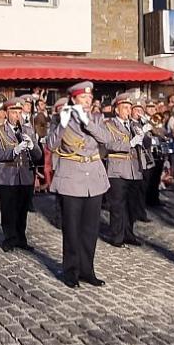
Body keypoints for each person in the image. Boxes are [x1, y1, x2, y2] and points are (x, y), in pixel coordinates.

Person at [46, 82, 112, 288]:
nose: (88, 101)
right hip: (71, 178)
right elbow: (50, 144)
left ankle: (87, 270)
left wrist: (88, 122)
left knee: (91, 229)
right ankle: (70, 271)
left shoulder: (98, 118)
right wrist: (63, 124)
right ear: (73, 99)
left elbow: (107, 140)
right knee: (72, 228)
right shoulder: (59, 119)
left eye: (90, 98)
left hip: (94, 178)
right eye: (83, 98)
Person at [0, 98, 43, 251]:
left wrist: (33, 146)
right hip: (7, 176)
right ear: (6, 113)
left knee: (22, 210)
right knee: (8, 210)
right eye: (14, 112)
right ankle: (9, 238)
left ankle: (21, 238)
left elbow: (38, 155)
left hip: (25, 175)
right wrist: (14, 150)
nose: (17, 116)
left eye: (19, 112)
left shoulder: (27, 130)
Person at [102, 95, 146, 247]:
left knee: (131, 205)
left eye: (130, 107)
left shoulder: (134, 125)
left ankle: (129, 233)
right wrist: (130, 143)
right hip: (118, 169)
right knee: (117, 205)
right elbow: (108, 144)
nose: (129, 110)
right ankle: (117, 235)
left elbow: (144, 144)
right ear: (116, 109)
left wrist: (144, 131)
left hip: (134, 169)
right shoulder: (109, 124)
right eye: (125, 107)